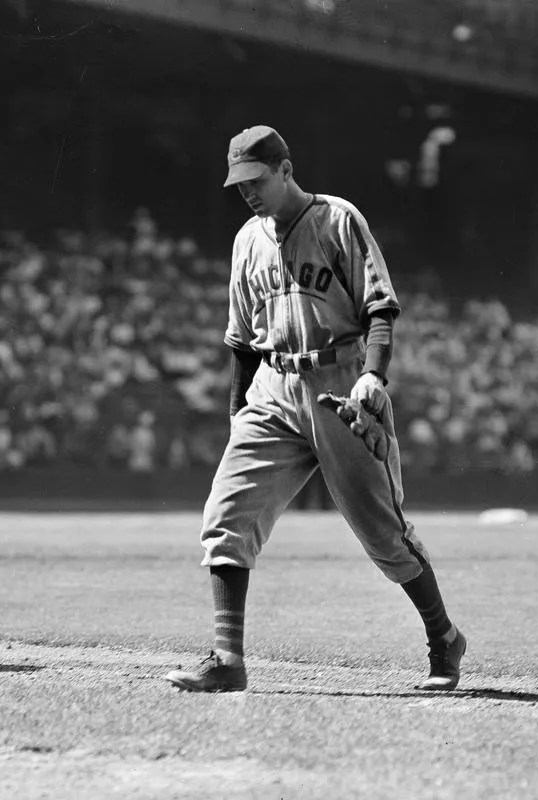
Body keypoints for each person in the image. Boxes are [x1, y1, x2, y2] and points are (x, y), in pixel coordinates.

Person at [165, 125, 465, 693]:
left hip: (340, 383)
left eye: (257, 179)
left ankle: (444, 637)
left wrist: (375, 374)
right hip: (273, 387)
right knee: (226, 517)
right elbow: (240, 342)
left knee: (384, 534)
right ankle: (228, 659)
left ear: (285, 170)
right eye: (239, 183)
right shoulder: (246, 240)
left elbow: (379, 305)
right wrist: (238, 415)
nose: (248, 192)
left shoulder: (337, 220)